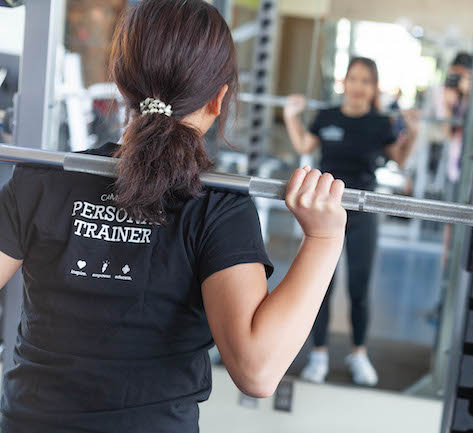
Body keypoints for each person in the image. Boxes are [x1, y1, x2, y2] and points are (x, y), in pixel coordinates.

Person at [0, 1, 347, 432]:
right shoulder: (218, 206)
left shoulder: (44, 179)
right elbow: (257, 372)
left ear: (122, 83)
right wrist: (324, 240)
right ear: (219, 98)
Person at [283, 57, 419, 386]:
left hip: (363, 214)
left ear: (373, 88)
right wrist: (291, 116)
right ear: (343, 82)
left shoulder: (379, 122)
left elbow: (400, 161)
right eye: (353, 79)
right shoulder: (327, 116)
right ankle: (319, 354)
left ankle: (358, 354)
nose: (358, 86)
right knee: (321, 287)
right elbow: (304, 145)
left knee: (358, 288)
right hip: (323, 212)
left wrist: (413, 132)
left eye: (365, 81)